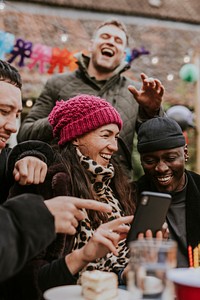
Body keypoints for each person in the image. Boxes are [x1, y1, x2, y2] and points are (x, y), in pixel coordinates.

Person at [6, 94, 135, 299]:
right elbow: (23, 281)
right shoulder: (45, 181)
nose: (114, 146)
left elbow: (114, 266)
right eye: (105, 135)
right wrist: (83, 256)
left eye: (116, 136)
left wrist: (131, 269)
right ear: (76, 135)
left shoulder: (115, 183)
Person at [0, 60, 113, 283]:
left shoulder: (114, 185)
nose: (13, 126)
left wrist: (31, 153)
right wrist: (36, 219)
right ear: (77, 136)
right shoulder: (55, 181)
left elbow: (13, 155)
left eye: (17, 115)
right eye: (3, 111)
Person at [17, 18, 164, 178]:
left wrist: (152, 111)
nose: (111, 42)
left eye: (118, 40)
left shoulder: (135, 92)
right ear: (91, 45)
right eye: (105, 36)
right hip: (65, 180)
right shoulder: (58, 83)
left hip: (116, 188)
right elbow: (25, 134)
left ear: (123, 54)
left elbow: (159, 145)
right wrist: (64, 116)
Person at [136, 116, 200, 268]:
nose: (161, 168)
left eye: (170, 158)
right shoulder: (130, 196)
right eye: (150, 161)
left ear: (185, 153)